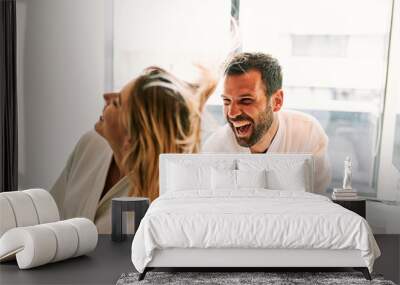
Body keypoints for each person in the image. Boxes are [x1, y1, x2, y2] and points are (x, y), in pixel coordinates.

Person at [51, 66, 216, 233]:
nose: (106, 97)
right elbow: (49, 215)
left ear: (130, 137)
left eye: (116, 103)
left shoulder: (163, 209)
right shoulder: (90, 145)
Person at [202, 52, 331, 194]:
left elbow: (318, 199)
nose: (232, 113)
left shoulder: (308, 133)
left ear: (277, 101)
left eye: (246, 100)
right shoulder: (215, 149)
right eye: (226, 101)